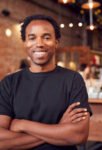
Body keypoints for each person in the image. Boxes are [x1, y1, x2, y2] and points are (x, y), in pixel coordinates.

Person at [0, 14, 92, 149]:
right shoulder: (9, 83)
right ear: (25, 43)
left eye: (47, 37)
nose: (39, 44)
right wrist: (59, 129)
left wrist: (23, 124)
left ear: (56, 42)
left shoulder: (73, 80)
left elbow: (79, 135)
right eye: (32, 38)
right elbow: (1, 141)